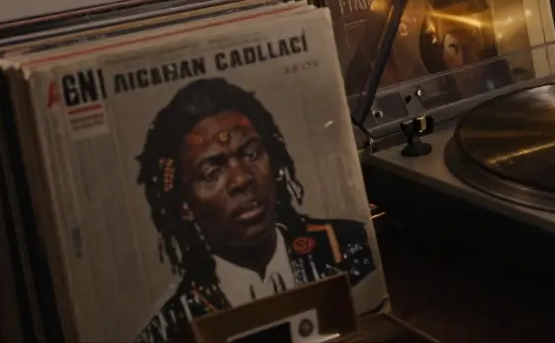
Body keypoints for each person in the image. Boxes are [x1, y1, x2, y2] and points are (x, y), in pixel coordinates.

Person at [134, 78, 377, 343]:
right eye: (212, 172)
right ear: (183, 206)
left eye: (251, 154)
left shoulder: (354, 249)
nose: (241, 179)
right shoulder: (166, 330)